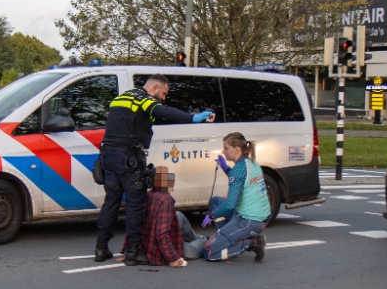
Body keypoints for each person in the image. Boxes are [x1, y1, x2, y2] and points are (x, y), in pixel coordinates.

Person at [95, 74, 213, 265]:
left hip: (108, 158)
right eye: (164, 93)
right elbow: (165, 112)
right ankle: (133, 253)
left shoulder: (121, 98)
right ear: (155, 88)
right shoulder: (144, 100)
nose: (163, 98)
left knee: (111, 202)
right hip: (129, 160)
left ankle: (101, 249)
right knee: (136, 205)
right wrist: (193, 117)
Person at [115, 166, 205, 267]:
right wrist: (172, 258)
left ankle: (196, 238)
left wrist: (128, 250)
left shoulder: (147, 195)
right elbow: (162, 233)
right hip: (164, 250)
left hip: (147, 245)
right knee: (204, 243)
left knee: (178, 214)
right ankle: (202, 239)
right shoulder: (165, 200)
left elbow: (133, 224)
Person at [202, 132, 270, 262]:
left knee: (209, 252)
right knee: (215, 201)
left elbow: (230, 205)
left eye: (226, 148)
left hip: (250, 220)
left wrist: (211, 216)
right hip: (259, 215)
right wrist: (226, 168)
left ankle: (252, 243)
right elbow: (239, 182)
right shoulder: (251, 162)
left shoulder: (238, 169)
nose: (223, 151)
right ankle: (225, 239)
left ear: (236, 149)